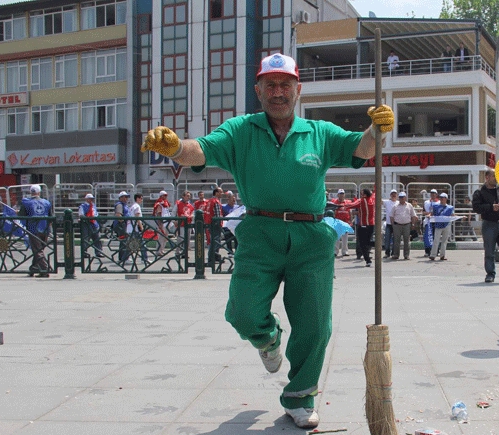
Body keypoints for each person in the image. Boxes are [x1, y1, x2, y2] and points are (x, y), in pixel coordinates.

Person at [140, 53, 390, 429]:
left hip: (312, 237)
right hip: (259, 232)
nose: (278, 92)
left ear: (297, 90)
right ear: (258, 89)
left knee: (314, 324)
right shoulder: (240, 130)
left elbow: (363, 148)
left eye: (285, 85)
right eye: (270, 85)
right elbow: (200, 151)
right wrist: (174, 147)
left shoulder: (319, 132)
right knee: (242, 311)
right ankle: (267, 338)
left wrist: (377, 130)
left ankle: (300, 396)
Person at [20, 185, 53, 277]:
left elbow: (21, 215)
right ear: (39, 192)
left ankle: (44, 269)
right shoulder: (46, 202)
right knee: (39, 249)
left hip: (33, 229)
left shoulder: (26, 202)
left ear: (31, 192)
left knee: (38, 250)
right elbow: (51, 217)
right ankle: (34, 268)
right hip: (45, 228)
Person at [344, 188, 375, 267]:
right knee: (367, 242)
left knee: (362, 244)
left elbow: (351, 205)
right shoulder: (372, 199)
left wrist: (343, 205)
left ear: (364, 195)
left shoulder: (361, 201)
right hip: (371, 224)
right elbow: (375, 193)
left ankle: (368, 260)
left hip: (363, 225)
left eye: (361, 194)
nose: (360, 195)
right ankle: (375, 246)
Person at [390, 191, 418, 259]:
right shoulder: (395, 206)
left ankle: (406, 255)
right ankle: (396, 255)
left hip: (407, 225)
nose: (401, 198)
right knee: (397, 241)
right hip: (397, 225)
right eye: (400, 197)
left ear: (405, 198)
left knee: (406, 240)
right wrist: (393, 225)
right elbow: (391, 216)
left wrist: (413, 224)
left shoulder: (409, 205)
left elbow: (413, 215)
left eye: (403, 197)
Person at [429, 193, 454, 260]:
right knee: (436, 240)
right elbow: (432, 214)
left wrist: (460, 217)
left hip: (446, 225)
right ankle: (433, 255)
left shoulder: (450, 207)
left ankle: (442, 255)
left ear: (446, 199)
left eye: (443, 198)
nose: (442, 199)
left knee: (444, 241)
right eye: (441, 198)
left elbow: (452, 215)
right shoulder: (436, 206)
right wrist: (429, 216)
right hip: (438, 225)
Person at [78, 193, 103, 258]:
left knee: (97, 237)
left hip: (94, 223)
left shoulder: (93, 206)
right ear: (86, 199)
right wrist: (87, 219)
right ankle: (84, 252)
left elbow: (96, 213)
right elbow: (81, 214)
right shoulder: (83, 206)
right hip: (86, 223)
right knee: (86, 238)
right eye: (89, 198)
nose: (91, 200)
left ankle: (98, 251)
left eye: (92, 199)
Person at [204, 187, 225, 263]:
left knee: (214, 241)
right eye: (220, 192)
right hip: (214, 224)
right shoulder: (216, 201)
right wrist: (220, 223)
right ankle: (212, 258)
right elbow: (217, 215)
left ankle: (215, 257)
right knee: (215, 241)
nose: (222, 193)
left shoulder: (210, 201)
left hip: (209, 222)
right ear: (216, 193)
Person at [129, 193, 150, 265]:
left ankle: (125, 258)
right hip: (135, 228)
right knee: (142, 243)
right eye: (141, 198)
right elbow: (137, 217)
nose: (142, 200)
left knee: (131, 243)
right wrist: (141, 227)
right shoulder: (137, 207)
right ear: (137, 198)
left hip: (131, 228)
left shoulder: (132, 206)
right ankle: (144, 258)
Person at [331, 189, 352, 258]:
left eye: (342, 193)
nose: (341, 195)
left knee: (345, 238)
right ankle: (335, 252)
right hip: (337, 222)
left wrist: (350, 220)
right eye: (340, 194)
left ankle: (345, 251)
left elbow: (350, 212)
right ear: (338, 195)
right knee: (336, 238)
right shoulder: (335, 202)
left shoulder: (347, 202)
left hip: (345, 222)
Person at [113, 191, 131, 264]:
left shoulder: (124, 205)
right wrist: (123, 223)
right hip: (121, 225)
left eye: (127, 197)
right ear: (121, 198)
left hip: (125, 224)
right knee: (124, 241)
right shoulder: (120, 205)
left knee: (124, 241)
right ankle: (123, 258)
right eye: (125, 197)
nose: (126, 199)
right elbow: (118, 215)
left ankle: (124, 257)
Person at [175, 191, 194, 259]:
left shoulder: (190, 205)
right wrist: (174, 221)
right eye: (187, 196)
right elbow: (174, 213)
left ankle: (184, 252)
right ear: (183, 196)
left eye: (189, 196)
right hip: (181, 224)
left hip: (188, 224)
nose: (188, 197)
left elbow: (192, 213)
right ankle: (178, 252)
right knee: (181, 238)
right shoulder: (178, 204)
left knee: (187, 239)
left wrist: (191, 216)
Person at [153, 190, 171, 256]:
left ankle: (162, 249)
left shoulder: (166, 203)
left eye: (166, 195)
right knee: (161, 237)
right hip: (162, 223)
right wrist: (160, 223)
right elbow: (159, 214)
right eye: (165, 195)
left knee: (165, 237)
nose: (166, 197)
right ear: (161, 196)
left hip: (167, 222)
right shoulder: (159, 204)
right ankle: (158, 250)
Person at [422, 189, 439, 257]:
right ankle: (427, 251)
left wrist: (432, 214)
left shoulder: (439, 202)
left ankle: (436, 251)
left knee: (436, 237)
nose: (433, 194)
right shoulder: (426, 202)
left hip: (436, 221)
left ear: (436, 194)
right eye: (432, 193)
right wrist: (428, 213)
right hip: (428, 221)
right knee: (427, 236)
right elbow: (423, 212)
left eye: (434, 193)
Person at [381, 190, 398, 258]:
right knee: (387, 239)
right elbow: (380, 201)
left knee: (395, 239)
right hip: (388, 223)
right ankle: (387, 253)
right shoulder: (387, 202)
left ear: (397, 195)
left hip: (396, 224)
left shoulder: (398, 202)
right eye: (392, 194)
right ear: (390, 195)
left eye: (395, 194)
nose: (393, 195)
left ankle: (393, 253)